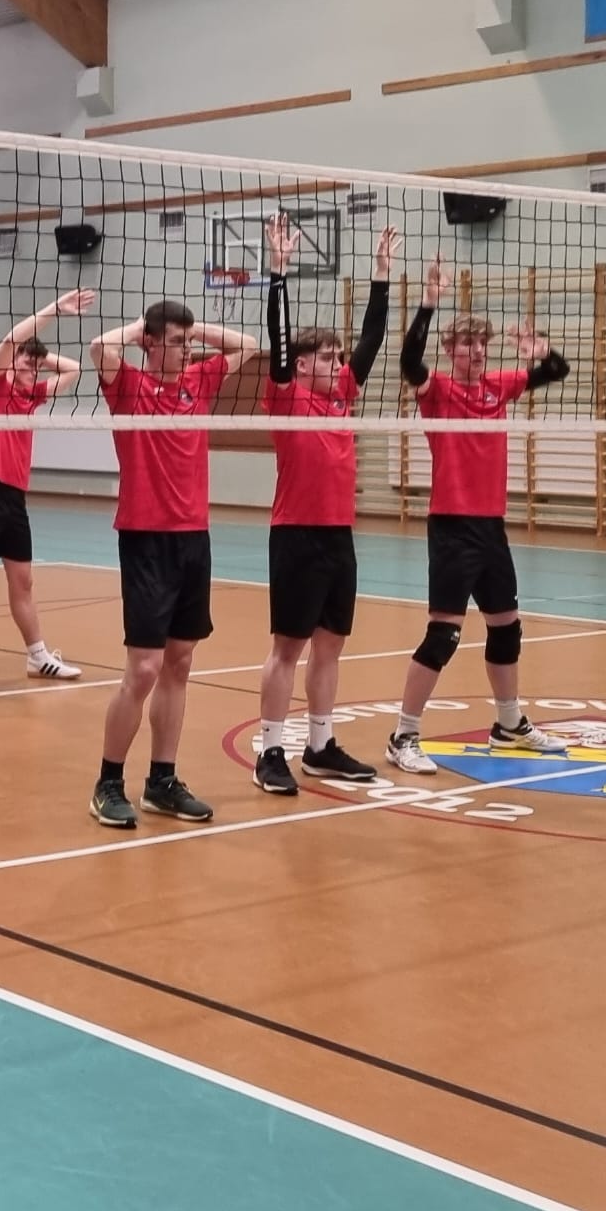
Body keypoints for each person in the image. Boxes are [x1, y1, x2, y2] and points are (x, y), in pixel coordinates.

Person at [386, 258, 572, 773]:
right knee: (443, 635)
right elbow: (408, 360)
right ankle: (403, 736)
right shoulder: (438, 391)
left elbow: (557, 371)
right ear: (450, 350)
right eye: (467, 344)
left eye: (483, 344)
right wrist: (428, 303)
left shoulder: (499, 386)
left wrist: (541, 351)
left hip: (491, 525)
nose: (477, 351)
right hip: (452, 525)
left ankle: (509, 725)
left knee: (507, 628)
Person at [88, 298, 259, 828]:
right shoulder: (129, 385)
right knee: (144, 668)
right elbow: (98, 347)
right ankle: (107, 783)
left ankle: (161, 781)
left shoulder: (199, 381)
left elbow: (250, 346)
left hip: (193, 538)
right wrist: (142, 327)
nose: (188, 350)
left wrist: (193, 329)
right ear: (149, 343)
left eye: (190, 343)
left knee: (179, 663)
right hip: (145, 538)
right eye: (177, 342)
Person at [251, 215, 399, 795]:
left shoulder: (341, 394)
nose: (339, 363)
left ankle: (319, 746)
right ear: (303, 362)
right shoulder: (286, 396)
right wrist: (279, 271)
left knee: (331, 645)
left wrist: (381, 277)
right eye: (328, 356)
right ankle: (271, 751)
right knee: (287, 647)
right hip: (297, 535)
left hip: (339, 535)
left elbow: (372, 341)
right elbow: (279, 340)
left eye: (338, 357)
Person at [0, 289, 96, 689]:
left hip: (14, 498)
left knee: (23, 582)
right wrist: (53, 311)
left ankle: (38, 656)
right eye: (26, 362)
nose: (33, 370)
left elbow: (72, 370)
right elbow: (8, 342)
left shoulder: (31, 395)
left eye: (36, 366)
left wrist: (38, 358)